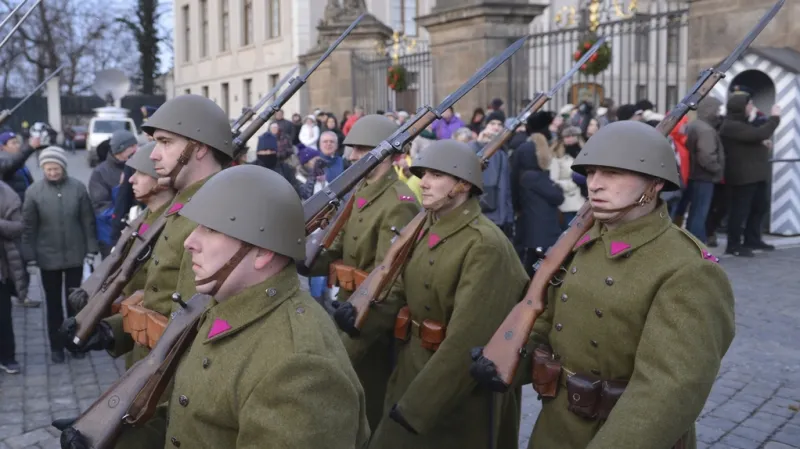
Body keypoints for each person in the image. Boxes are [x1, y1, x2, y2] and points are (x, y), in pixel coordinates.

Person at [58, 164, 371, 449]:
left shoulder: (301, 367)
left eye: (211, 229)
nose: (189, 242)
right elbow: (195, 417)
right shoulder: (222, 303)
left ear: (261, 252)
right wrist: (115, 440)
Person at [471, 120, 735, 449]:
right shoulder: (582, 244)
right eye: (592, 172)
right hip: (556, 428)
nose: (594, 184)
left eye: (612, 173)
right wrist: (510, 355)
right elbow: (551, 321)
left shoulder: (688, 268)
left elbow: (669, 391)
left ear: (653, 185)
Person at [356, 139, 527, 449]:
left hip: (453, 395)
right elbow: (397, 289)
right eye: (423, 175)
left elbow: (467, 339)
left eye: (436, 175)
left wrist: (416, 408)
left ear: (462, 185)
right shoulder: (427, 227)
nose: (424, 183)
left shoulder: (484, 245)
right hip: (412, 368)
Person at [62, 94, 234, 368]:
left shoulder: (214, 214)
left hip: (172, 380)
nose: (152, 155)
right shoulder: (184, 205)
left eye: (165, 142)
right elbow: (161, 300)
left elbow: (196, 325)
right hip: (152, 363)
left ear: (199, 148)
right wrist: (111, 331)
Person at [305, 114, 420, 430]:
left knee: (367, 408)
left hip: (370, 324)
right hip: (345, 308)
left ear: (380, 154)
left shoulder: (398, 202)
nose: (351, 157)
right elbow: (334, 249)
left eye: (359, 150)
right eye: (351, 149)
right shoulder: (360, 192)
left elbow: (391, 279)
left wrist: (353, 334)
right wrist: (297, 257)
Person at [66, 142, 176, 369]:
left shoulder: (170, 224)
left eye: (141, 173)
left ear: (162, 179)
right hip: (137, 337)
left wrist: (109, 328)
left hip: (157, 347)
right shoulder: (145, 217)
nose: (131, 180)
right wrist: (93, 298)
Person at [22, 147, 98, 363]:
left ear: (63, 167)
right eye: (48, 168)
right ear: (43, 168)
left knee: (74, 303)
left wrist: (91, 249)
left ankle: (75, 342)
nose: (52, 172)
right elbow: (28, 227)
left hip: (75, 254)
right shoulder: (34, 192)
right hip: (48, 258)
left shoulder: (78, 188)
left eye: (56, 168)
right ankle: (56, 345)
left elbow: (87, 221)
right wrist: (30, 255)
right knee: (54, 304)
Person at [718, 91, 781, 256]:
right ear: (741, 107)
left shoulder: (741, 124)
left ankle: (752, 239)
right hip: (742, 177)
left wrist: (761, 143)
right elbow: (759, 133)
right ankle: (733, 245)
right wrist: (774, 118)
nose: (752, 107)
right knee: (739, 212)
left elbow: (753, 138)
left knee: (759, 207)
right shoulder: (730, 125)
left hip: (755, 175)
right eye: (749, 104)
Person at [89, 129, 139, 257]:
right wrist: (122, 189)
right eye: (132, 146)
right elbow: (102, 208)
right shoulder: (100, 173)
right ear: (120, 149)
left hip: (135, 232)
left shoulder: (137, 166)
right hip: (109, 237)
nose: (136, 149)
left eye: (136, 144)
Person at [0, 179, 26, 374]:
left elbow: (19, 227)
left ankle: (8, 357)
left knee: (3, 317)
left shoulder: (7, 194)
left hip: (2, 270)